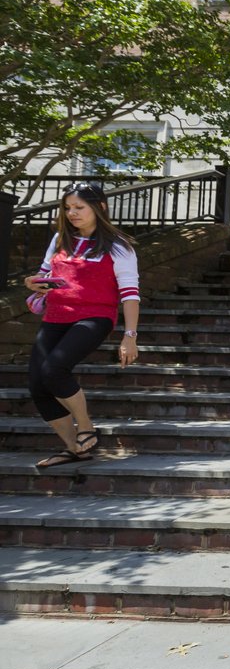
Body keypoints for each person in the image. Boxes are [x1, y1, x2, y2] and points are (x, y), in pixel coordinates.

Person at [25, 182, 139, 468]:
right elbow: (44, 275)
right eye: (67, 208)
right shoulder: (59, 240)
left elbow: (130, 294)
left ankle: (86, 427)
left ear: (100, 208)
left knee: (54, 370)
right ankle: (74, 449)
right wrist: (33, 283)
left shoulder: (119, 246)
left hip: (95, 317)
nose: (72, 213)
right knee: (38, 384)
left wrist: (130, 336)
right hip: (56, 315)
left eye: (79, 207)